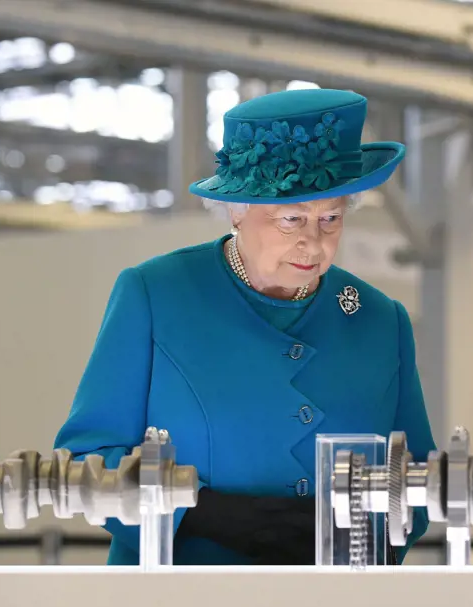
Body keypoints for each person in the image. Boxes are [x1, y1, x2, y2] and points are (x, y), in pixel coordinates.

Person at [54, 88, 436, 566]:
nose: (313, 243)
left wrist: (367, 534)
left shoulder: (380, 319)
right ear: (237, 210)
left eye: (330, 219)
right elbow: (87, 461)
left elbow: (419, 478)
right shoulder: (156, 293)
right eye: (291, 219)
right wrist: (199, 513)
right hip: (176, 603)